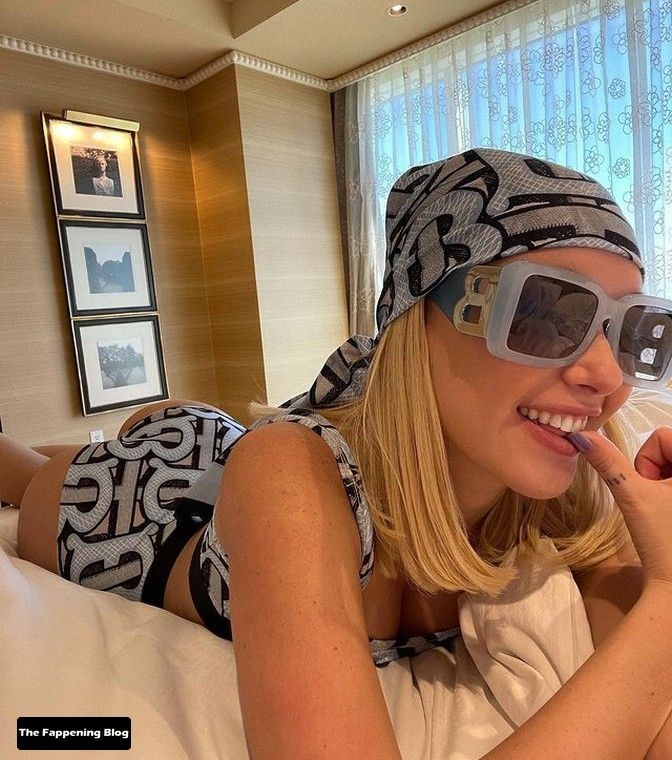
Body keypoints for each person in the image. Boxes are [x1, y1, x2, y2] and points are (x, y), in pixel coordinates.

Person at [4, 147, 672, 760]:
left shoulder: (573, 490)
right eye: (546, 312)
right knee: (33, 471)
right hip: (147, 501)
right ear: (420, 320)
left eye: (633, 331)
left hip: (236, 458)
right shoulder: (291, 477)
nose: (606, 378)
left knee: (217, 431)